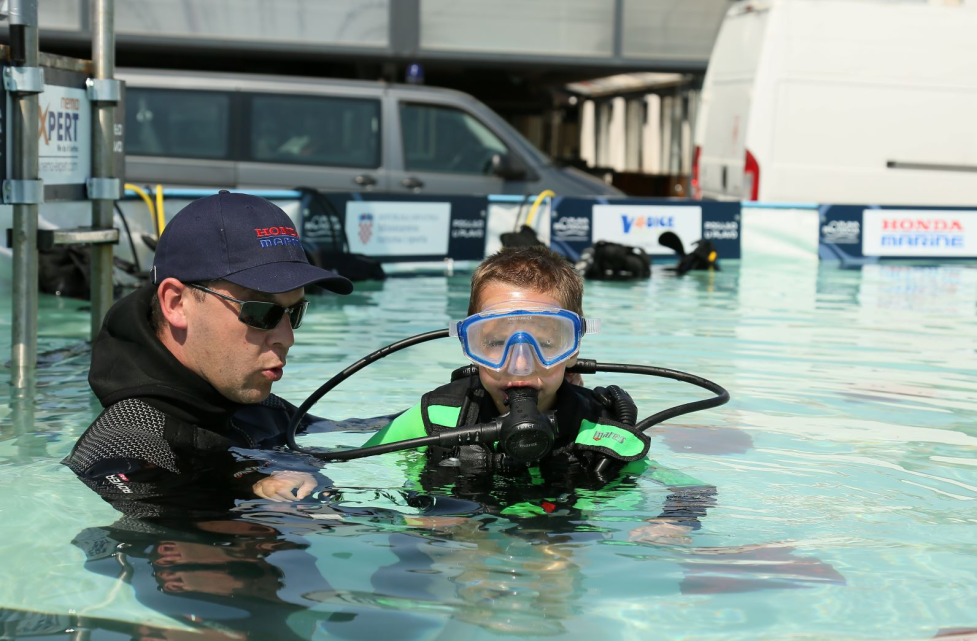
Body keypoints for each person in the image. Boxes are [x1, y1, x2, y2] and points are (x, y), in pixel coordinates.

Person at [63, 191, 355, 515]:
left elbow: (357, 437)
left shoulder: (258, 407)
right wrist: (251, 490)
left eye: (294, 312)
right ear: (177, 304)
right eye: (260, 312)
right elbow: (175, 550)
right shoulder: (124, 449)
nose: (287, 338)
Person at [363, 245, 651, 478]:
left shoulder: (601, 431)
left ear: (573, 349)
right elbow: (354, 471)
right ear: (469, 344)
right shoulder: (437, 417)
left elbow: (674, 490)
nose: (520, 365)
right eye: (497, 343)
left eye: (547, 343)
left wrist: (672, 520)